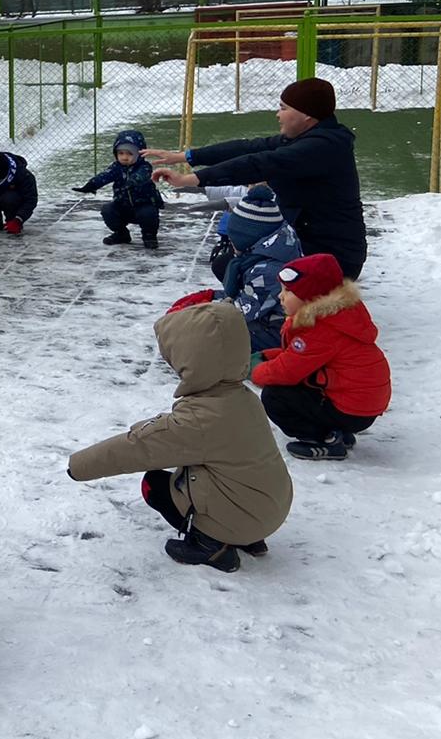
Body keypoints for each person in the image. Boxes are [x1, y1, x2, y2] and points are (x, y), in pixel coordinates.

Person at [69, 301, 293, 573]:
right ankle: (248, 538)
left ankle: (213, 546)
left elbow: (138, 447)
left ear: (193, 360)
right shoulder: (243, 398)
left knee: (155, 485)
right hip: (271, 508)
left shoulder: (199, 420)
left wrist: (77, 466)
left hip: (244, 518)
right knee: (212, 469)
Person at [145, 77, 367, 277]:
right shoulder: (307, 138)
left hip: (332, 256)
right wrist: (184, 156)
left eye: (283, 108)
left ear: (306, 114)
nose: (277, 114)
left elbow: (259, 164)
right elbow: (247, 148)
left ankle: (283, 315)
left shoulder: (321, 147)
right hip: (305, 240)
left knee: (237, 269)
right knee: (228, 265)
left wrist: (191, 180)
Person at [251, 253, 392, 461]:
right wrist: (268, 356)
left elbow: (287, 371)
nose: (281, 296)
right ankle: (338, 431)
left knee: (275, 397)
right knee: (301, 386)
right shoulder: (335, 317)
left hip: (352, 407)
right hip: (360, 403)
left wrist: (254, 371)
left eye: (288, 291)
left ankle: (324, 439)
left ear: (311, 298)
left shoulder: (320, 329)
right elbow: (302, 357)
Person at [168, 188, 303, 354]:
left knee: (219, 335)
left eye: (233, 239)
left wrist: (203, 311)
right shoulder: (274, 249)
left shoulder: (268, 272)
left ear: (247, 239)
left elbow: (241, 313)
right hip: (270, 312)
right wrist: (212, 296)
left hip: (283, 330)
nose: (230, 243)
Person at [73, 129, 164, 249]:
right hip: (123, 206)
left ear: (139, 154)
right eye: (121, 153)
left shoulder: (144, 167)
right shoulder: (116, 167)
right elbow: (105, 176)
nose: (124, 157)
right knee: (108, 210)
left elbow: (142, 176)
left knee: (149, 214)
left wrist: (132, 182)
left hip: (143, 205)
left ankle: (149, 236)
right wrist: (91, 185)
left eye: (129, 154)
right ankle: (122, 234)